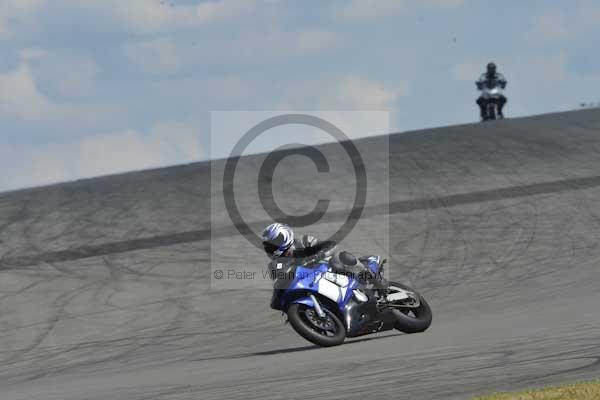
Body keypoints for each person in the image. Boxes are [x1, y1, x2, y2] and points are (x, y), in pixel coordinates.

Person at [261, 223, 388, 309]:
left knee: (338, 257)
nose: (273, 248)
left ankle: (373, 278)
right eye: (270, 246)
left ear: (285, 237)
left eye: (275, 243)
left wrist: (318, 255)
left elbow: (329, 245)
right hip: (309, 283)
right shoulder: (274, 265)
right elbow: (279, 284)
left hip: (326, 268)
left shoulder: (303, 241)